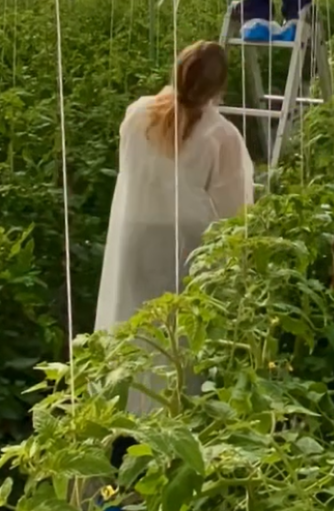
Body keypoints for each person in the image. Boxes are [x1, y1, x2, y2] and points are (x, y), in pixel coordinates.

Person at [95, 41, 254, 348]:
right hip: (185, 247)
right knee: (177, 342)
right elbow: (234, 216)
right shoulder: (221, 135)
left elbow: (131, 176)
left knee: (134, 329)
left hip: (136, 236)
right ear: (219, 85)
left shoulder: (137, 115)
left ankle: (130, 397)